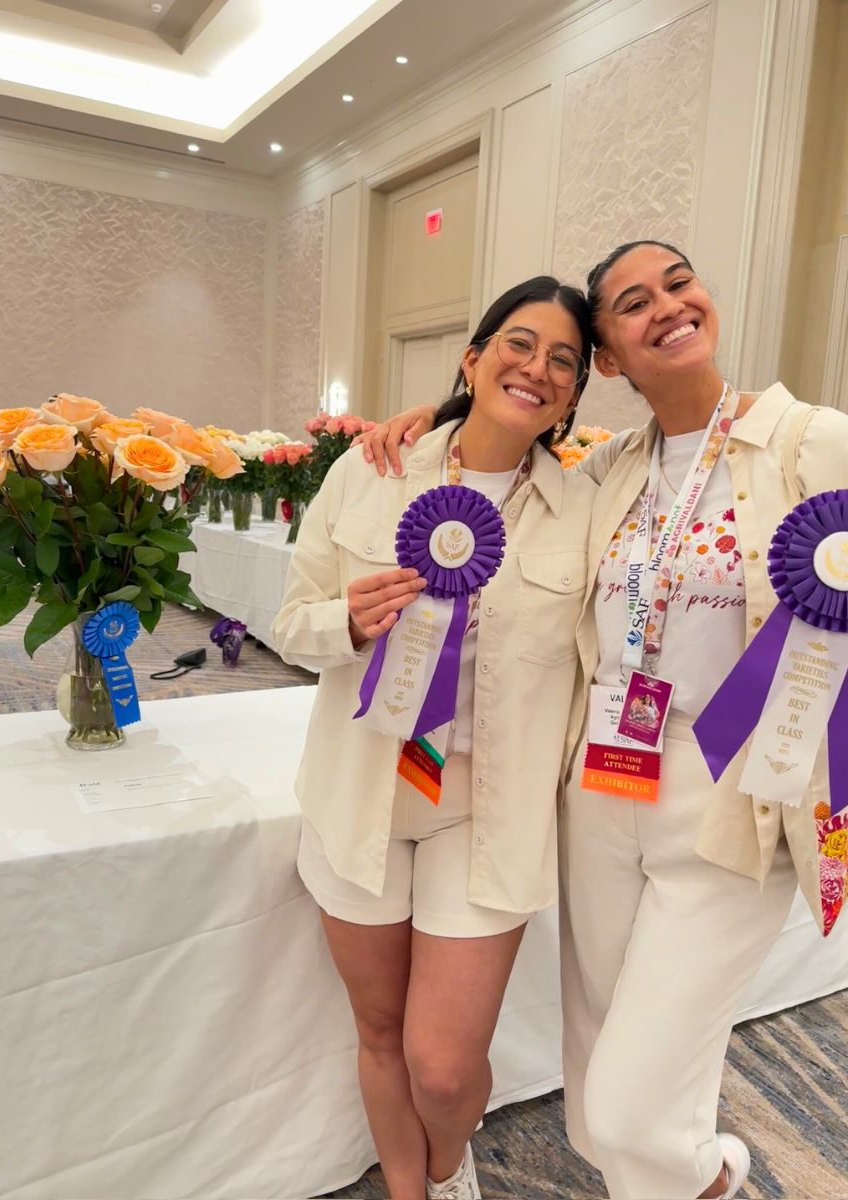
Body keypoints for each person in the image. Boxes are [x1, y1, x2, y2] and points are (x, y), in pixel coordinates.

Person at [353, 240, 848, 1200]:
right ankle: (698, 1178)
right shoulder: (611, 469)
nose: (666, 305)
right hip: (603, 790)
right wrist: (433, 422)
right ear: (611, 359)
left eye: (678, 283)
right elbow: (497, 455)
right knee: (595, 1109)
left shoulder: (809, 441)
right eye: (631, 302)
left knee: (628, 1109)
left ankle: (713, 1175)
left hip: (728, 802)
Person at [272, 276, 596, 1200]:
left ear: (574, 397)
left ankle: (449, 1166)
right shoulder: (370, 472)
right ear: (474, 357)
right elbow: (291, 620)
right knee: (379, 1034)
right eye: (518, 345)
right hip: (360, 792)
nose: (536, 369)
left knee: (445, 1067)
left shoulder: (585, 507)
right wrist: (347, 623)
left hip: (484, 809)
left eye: (562, 362)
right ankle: (411, 1194)